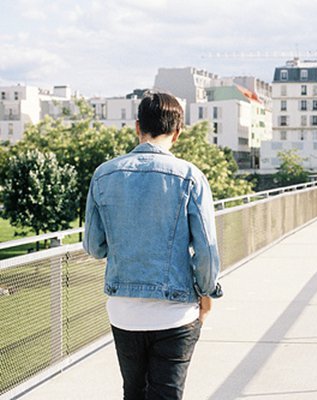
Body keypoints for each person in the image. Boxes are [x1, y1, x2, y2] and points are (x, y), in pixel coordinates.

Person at [83, 92, 222, 400]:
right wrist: (207, 290)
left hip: (124, 311)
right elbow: (206, 252)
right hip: (176, 312)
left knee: (133, 393)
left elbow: (93, 246)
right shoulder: (191, 177)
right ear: (178, 131)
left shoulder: (104, 174)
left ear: (137, 127)